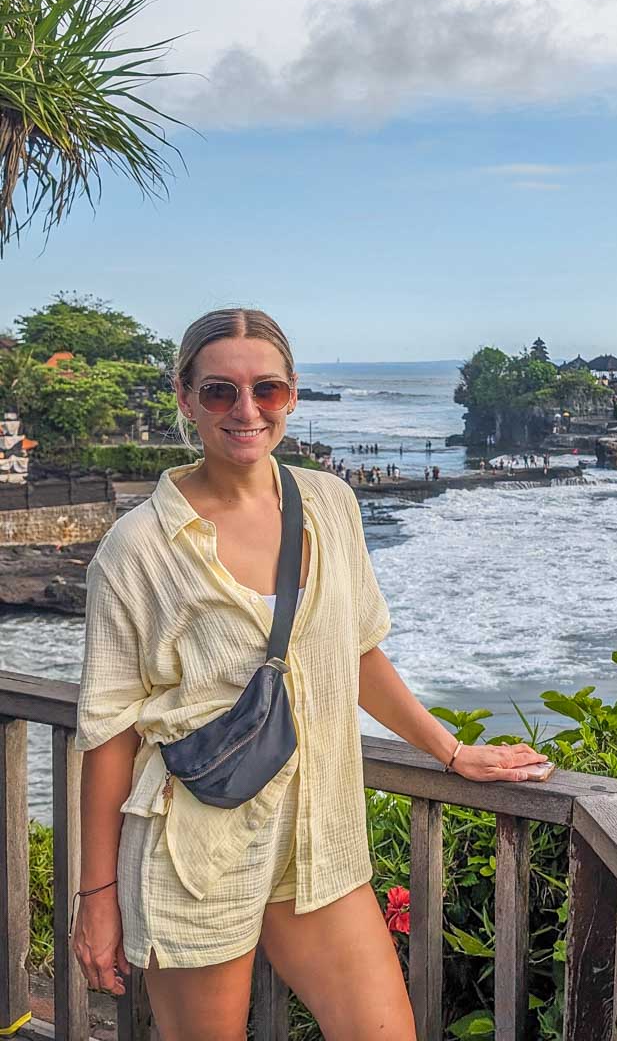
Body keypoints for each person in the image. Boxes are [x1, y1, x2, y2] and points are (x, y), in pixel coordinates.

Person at [71, 308, 550, 1041]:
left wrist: (451, 752)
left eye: (266, 390)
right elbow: (108, 734)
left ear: (291, 395)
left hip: (320, 838)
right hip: (194, 849)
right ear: (184, 397)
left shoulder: (328, 503)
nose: (246, 410)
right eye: (219, 392)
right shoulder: (137, 548)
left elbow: (356, 654)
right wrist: (97, 895)